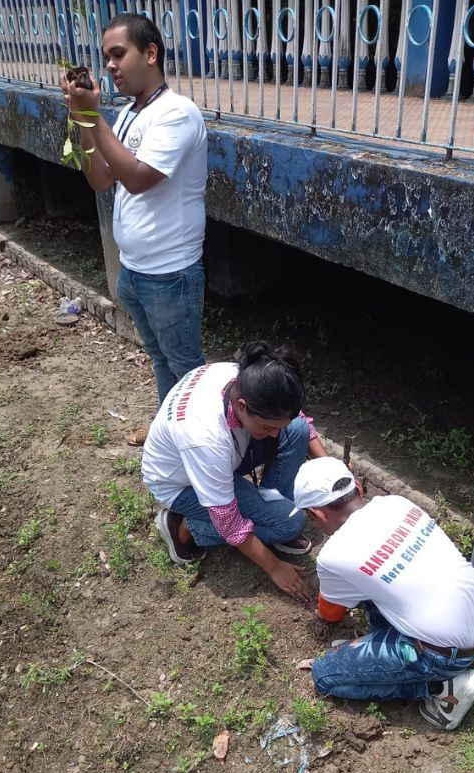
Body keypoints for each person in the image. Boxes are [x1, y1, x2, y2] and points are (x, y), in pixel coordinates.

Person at [61, 12, 208, 446]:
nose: (110, 65)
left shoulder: (178, 113)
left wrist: (96, 118)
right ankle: (170, 434)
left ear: (150, 53)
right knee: (161, 360)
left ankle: (202, 446)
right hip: (135, 270)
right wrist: (84, 120)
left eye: (119, 54)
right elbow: (102, 179)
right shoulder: (127, 115)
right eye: (106, 57)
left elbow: (140, 178)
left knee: (187, 370)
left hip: (171, 272)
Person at [290, 457, 474, 730]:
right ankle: (383, 648)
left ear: (318, 514)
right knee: (377, 581)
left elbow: (330, 613)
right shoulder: (397, 503)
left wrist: (323, 611)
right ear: (359, 490)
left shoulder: (333, 555)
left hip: (441, 653)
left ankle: (440, 687)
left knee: (325, 675)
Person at [143, 342, 328, 599]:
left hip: (219, 460)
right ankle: (183, 526)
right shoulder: (205, 438)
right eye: (267, 427)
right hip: (181, 485)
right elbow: (228, 521)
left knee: (294, 430)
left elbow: (299, 423)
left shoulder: (244, 375)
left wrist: (333, 469)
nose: (275, 433)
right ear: (242, 406)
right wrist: (274, 567)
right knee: (290, 523)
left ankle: (271, 514)